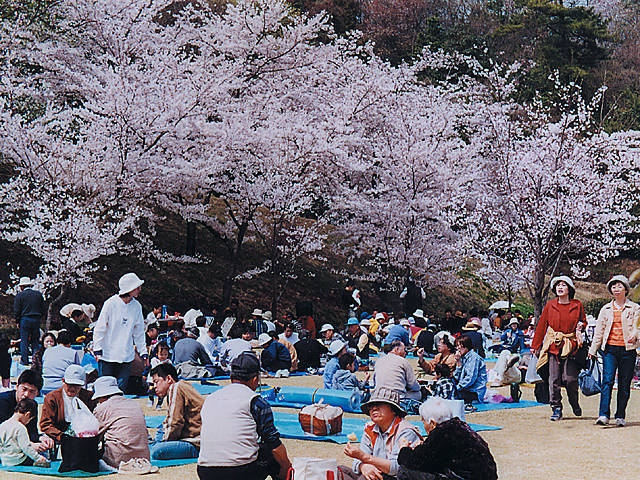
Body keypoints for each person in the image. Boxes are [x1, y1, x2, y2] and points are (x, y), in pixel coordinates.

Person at [197, 352, 292, 480]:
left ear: (231, 377)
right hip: (240, 471)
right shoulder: (255, 401)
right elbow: (273, 443)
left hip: (205, 471)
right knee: (270, 453)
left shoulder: (210, 399)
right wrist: (287, 468)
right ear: (255, 379)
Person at [396, 396, 497, 480]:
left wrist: (404, 449)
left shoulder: (442, 434)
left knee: (404, 472)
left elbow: (413, 462)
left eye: (424, 421)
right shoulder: (460, 427)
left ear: (432, 423)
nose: (423, 425)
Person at [531, 275, 586, 421]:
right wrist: (535, 345)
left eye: (563, 285)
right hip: (553, 346)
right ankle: (556, 408)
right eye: (558, 285)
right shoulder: (550, 305)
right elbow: (542, 325)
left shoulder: (577, 305)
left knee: (570, 379)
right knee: (553, 379)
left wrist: (582, 325)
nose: (560, 287)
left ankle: (574, 402)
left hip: (571, 346)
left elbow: (583, 321)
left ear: (569, 289)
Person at [588, 274, 640, 427]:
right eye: (613, 286)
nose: (616, 289)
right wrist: (593, 349)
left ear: (626, 289)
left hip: (628, 351)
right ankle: (603, 414)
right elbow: (599, 331)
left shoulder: (635, 308)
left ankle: (620, 416)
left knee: (624, 384)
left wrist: (635, 335)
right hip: (609, 350)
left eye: (619, 286)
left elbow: (639, 327)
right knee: (607, 381)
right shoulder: (605, 309)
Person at [340, 386, 421, 480]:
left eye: (379, 404)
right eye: (371, 406)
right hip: (376, 474)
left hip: (395, 477)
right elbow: (357, 462)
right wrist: (363, 466)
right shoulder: (370, 429)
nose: (374, 408)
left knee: (367, 478)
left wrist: (364, 457)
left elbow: (396, 468)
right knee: (339, 471)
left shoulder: (405, 432)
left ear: (393, 410)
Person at [93, 272, 148, 391]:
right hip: (107, 355)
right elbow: (100, 328)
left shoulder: (137, 306)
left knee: (120, 390)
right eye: (137, 287)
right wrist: (97, 348)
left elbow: (139, 332)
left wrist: (143, 352)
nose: (140, 289)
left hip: (126, 356)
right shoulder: (110, 303)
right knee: (105, 388)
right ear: (130, 288)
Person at [92, 376, 154, 470]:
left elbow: (94, 436)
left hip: (118, 459)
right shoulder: (135, 404)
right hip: (143, 457)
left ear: (102, 396)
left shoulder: (102, 408)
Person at [149, 363, 203, 460]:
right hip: (196, 435)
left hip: (197, 442)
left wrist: (164, 442)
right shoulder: (183, 386)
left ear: (169, 379)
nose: (155, 387)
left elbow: (175, 422)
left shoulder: (175, 388)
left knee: (157, 450)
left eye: (156, 382)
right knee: (161, 428)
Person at [39, 364, 96, 443]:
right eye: (69, 385)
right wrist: (61, 436)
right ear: (63, 381)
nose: (72, 388)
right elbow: (45, 424)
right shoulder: (52, 398)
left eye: (77, 386)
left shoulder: (89, 397)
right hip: (60, 438)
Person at [0, 370, 53, 453]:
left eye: (32, 391)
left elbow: (31, 432)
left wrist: (41, 438)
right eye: (24, 389)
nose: (26, 394)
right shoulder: (3, 402)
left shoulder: (32, 405)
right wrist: (28, 445)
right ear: (17, 386)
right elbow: (3, 434)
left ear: (37, 393)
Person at [0, 398, 50, 467]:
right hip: (18, 460)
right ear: (27, 414)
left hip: (5, 460)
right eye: (29, 419)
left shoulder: (3, 425)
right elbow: (26, 447)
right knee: (44, 455)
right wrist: (38, 458)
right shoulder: (21, 428)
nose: (28, 422)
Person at [13, 276, 45, 366]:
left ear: (22, 286)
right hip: (36, 318)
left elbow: (17, 310)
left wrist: (17, 321)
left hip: (25, 319)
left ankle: (24, 360)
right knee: (35, 341)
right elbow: (43, 309)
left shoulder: (19, 296)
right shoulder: (38, 294)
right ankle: (36, 360)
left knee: (24, 341)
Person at [453, 335, 487, 412]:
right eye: (457, 346)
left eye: (460, 346)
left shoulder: (474, 358)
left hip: (474, 391)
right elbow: (456, 377)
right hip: (465, 389)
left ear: (466, 346)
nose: (458, 348)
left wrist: (457, 388)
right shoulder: (462, 358)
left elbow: (470, 378)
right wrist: (458, 363)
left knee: (451, 394)